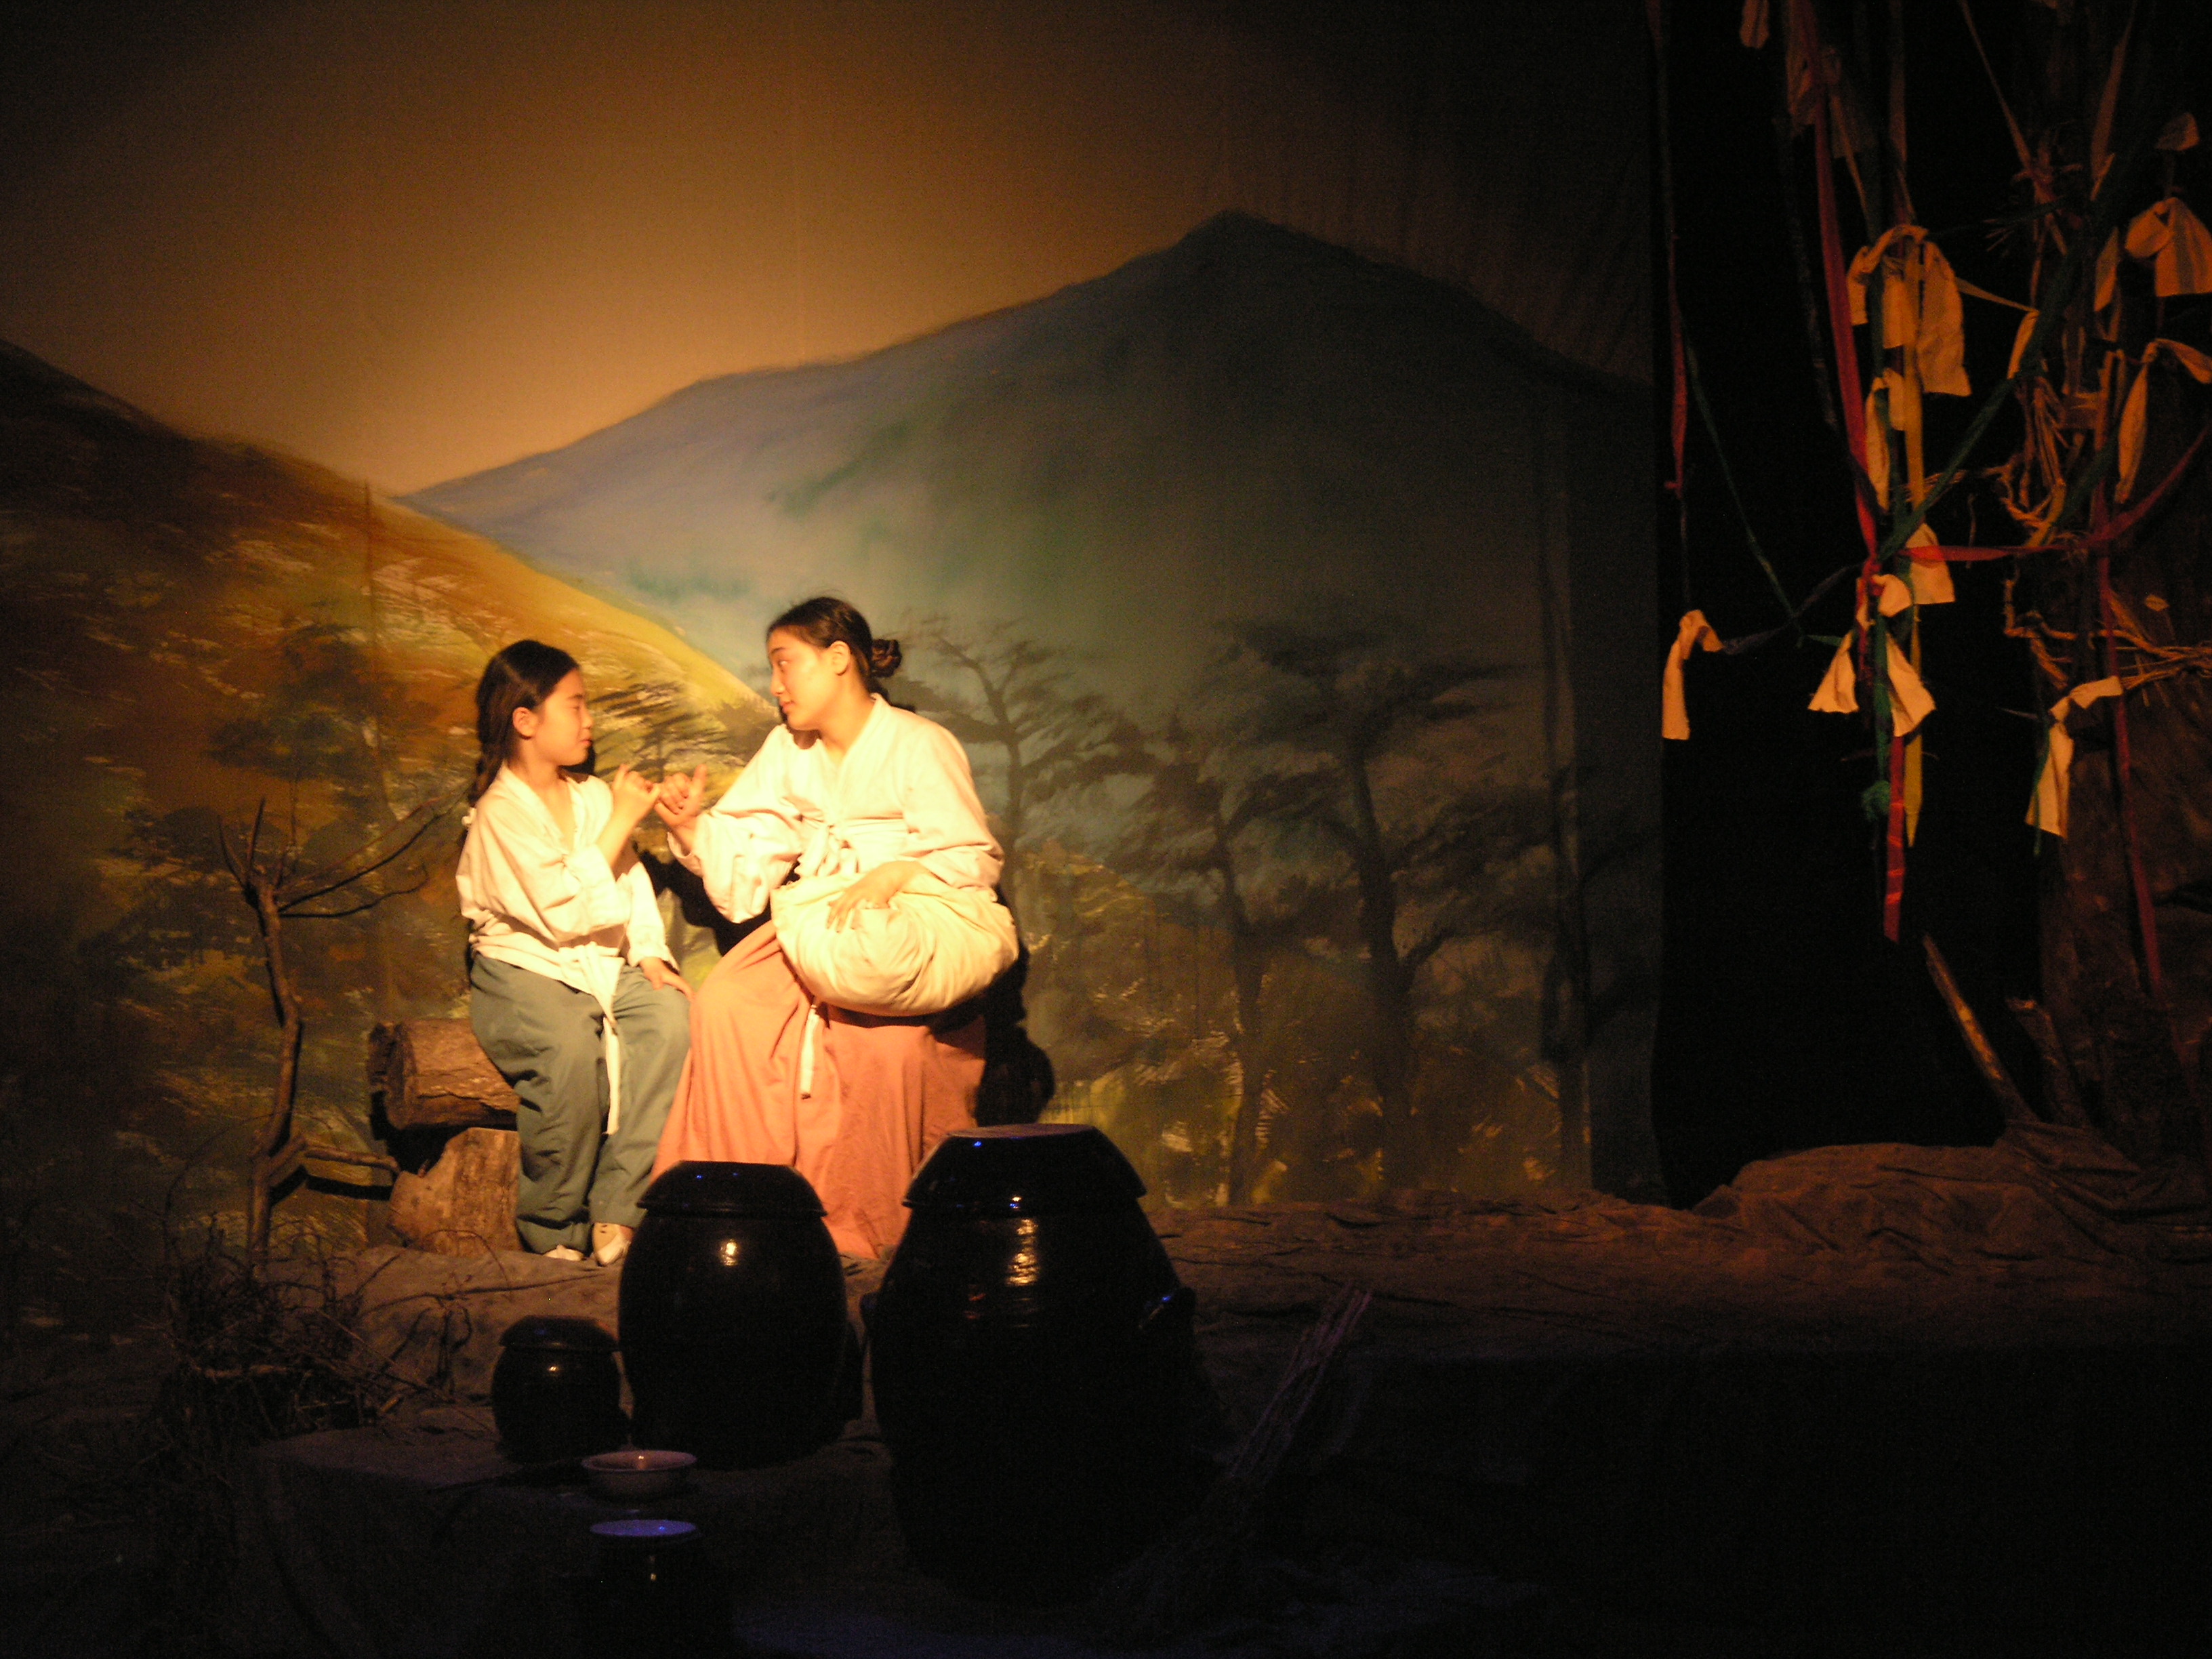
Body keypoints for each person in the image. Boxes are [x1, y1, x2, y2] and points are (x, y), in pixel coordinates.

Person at [651, 598, 1002, 1259]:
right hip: (818, 923)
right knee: (728, 1003)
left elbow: (969, 858)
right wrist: (693, 828)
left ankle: (864, 1231)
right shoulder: (790, 749)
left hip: (900, 935)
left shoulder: (920, 745)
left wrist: (895, 875)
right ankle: (746, 1206)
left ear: (839, 659)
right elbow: (754, 848)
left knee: (883, 1051)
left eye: (786, 664)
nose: (776, 686)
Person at [455, 640, 693, 1266]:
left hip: (603, 962)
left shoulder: (591, 796)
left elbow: (630, 881)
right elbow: (560, 914)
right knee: (567, 1057)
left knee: (672, 1021)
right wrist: (621, 821)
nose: (590, 722)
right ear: (525, 720)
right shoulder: (500, 814)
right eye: (576, 706)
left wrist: (650, 953)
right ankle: (554, 1227)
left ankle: (619, 1209)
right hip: (526, 967)